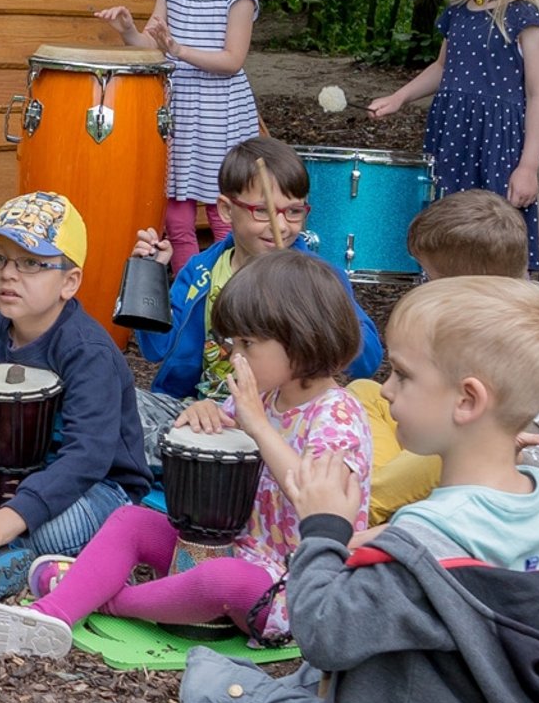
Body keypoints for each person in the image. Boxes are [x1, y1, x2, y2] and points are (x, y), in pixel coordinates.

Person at [73, 276, 539, 703]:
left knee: (214, 681)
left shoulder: (419, 553)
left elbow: (322, 636)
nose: (384, 391)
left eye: (402, 374)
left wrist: (324, 531)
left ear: (467, 401)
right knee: (309, 688)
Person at [0, 249, 372, 656]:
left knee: (222, 580)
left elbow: (314, 501)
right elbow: (221, 437)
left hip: (295, 586)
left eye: (249, 343)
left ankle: (109, 600)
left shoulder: (337, 415)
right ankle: (51, 615)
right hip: (230, 545)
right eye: (234, 343)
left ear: (302, 341)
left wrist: (258, 425)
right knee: (132, 520)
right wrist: (204, 411)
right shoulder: (265, 396)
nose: (237, 356)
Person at [0, 193, 152, 604]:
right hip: (0, 484)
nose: (9, 274)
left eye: (30, 262)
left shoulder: (86, 351)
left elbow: (88, 458)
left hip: (93, 489)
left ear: (69, 282)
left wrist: (15, 516)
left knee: (65, 525)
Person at [131, 136, 382, 460]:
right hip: (201, 408)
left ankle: (170, 461)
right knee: (114, 406)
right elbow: (156, 349)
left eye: (293, 212)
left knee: (148, 447)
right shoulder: (202, 271)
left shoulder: (319, 278)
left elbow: (368, 362)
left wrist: (325, 307)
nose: (280, 225)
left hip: (281, 422)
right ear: (226, 209)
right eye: (262, 211)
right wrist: (149, 279)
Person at [365, 190, 539, 518]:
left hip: (537, 479)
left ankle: (357, 508)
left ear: (470, 285)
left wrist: (462, 446)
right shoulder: (489, 314)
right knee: (363, 394)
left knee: (440, 456)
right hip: (467, 427)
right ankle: (377, 482)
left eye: (432, 279)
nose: (425, 286)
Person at [367, 0, 539, 266]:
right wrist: (401, 97)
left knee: (492, 235)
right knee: (447, 228)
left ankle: (494, 310)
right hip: (451, 137)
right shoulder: (458, 13)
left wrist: (529, 167)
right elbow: (442, 68)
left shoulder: (525, 18)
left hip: (496, 146)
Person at [96, 0, 264, 269]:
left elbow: (233, 59)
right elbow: (153, 47)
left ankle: (232, 292)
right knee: (177, 216)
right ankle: (192, 291)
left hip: (220, 113)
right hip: (179, 111)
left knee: (223, 211)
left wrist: (180, 51)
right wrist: (127, 30)